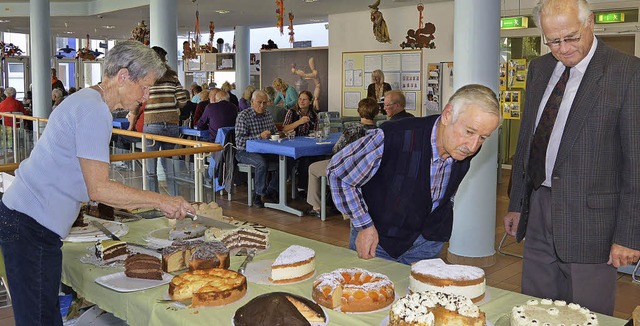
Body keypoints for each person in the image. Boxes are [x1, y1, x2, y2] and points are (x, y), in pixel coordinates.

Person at [0, 40, 194, 326]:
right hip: (31, 224)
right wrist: (162, 200)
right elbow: (99, 188)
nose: (147, 96)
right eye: (145, 87)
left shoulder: (87, 101)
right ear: (123, 76)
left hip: (28, 221)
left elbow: (84, 177)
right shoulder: (94, 110)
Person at [503, 0, 640, 315]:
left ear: (590, 22)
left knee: (586, 313)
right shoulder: (539, 69)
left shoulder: (627, 72)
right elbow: (528, 139)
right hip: (538, 208)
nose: (562, 48)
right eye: (553, 40)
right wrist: (517, 202)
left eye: (571, 37)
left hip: (592, 220)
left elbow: (637, 163)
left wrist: (630, 234)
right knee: (534, 308)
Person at [327, 84, 501, 265]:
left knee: (417, 292)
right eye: (469, 132)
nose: (473, 146)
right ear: (448, 114)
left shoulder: (464, 147)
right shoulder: (393, 136)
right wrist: (363, 226)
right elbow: (338, 173)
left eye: (483, 138)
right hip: (378, 239)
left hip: (427, 243)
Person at [306, 97, 379, 217]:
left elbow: (337, 150)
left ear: (358, 111)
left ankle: (317, 207)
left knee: (313, 168)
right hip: (367, 170)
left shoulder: (352, 129)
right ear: (376, 112)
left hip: (347, 169)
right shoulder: (378, 131)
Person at [143, 46, 189, 195]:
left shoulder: (144, 77)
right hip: (171, 125)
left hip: (151, 126)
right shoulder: (173, 77)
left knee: (150, 168)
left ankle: (153, 200)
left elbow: (138, 100)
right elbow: (183, 100)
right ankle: (174, 199)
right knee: (169, 166)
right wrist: (171, 104)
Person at [235, 90, 279, 208]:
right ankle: (258, 195)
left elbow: (275, 132)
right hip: (244, 152)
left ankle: (272, 189)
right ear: (252, 102)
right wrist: (259, 136)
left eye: (265, 103)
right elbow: (239, 141)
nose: (262, 106)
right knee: (261, 163)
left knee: (287, 159)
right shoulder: (243, 116)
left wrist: (281, 135)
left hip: (265, 150)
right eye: (259, 102)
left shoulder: (268, 114)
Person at [282, 90, 321, 193]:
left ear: (310, 102)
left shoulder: (313, 115)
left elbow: (316, 131)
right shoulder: (291, 112)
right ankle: (302, 187)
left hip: (308, 145)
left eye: (304, 99)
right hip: (293, 146)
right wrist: (299, 122)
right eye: (300, 99)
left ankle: (316, 187)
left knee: (318, 157)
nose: (301, 101)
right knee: (306, 159)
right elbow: (285, 129)